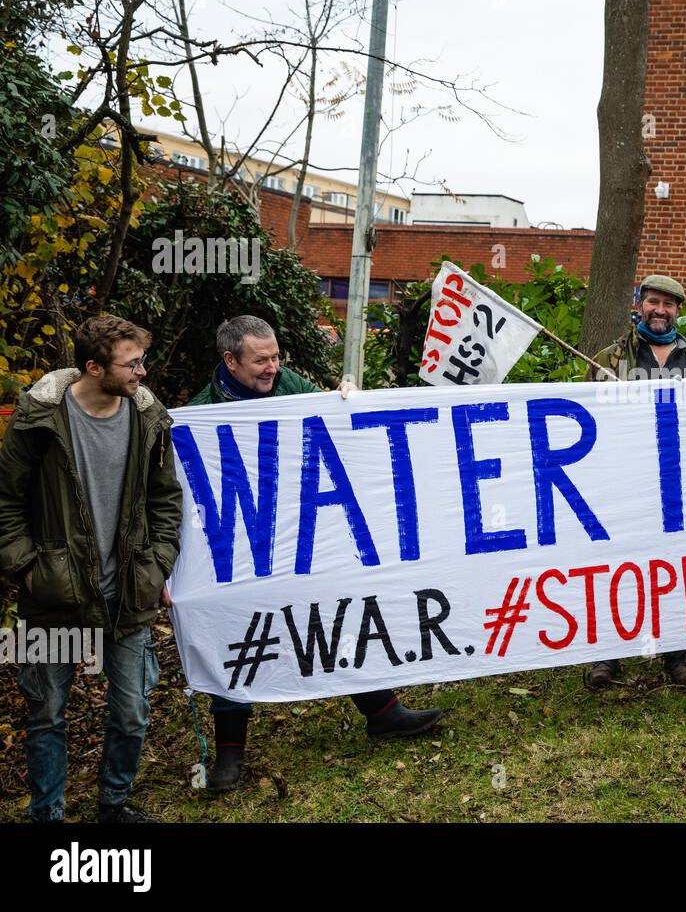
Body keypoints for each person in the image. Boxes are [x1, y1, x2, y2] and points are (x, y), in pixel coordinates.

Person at [189, 315, 444, 792]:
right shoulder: (199, 414)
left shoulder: (286, 382)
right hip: (241, 546)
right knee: (235, 633)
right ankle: (229, 755)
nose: (272, 367)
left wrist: (344, 394)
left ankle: (382, 711)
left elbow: (331, 414)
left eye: (276, 356)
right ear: (230, 361)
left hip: (300, 532)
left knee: (332, 617)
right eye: (261, 360)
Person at [0, 315, 183, 822]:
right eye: (132, 364)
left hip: (126, 592)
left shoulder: (148, 418)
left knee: (130, 712)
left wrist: (159, 565)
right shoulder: (39, 418)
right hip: (53, 596)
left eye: (142, 361)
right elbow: (6, 501)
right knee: (45, 715)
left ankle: (114, 803)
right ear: (93, 367)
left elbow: (166, 501)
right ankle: (48, 815)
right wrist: (28, 569)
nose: (142, 373)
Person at [584, 274, 686, 689]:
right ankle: (608, 655)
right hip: (624, 481)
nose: (660, 311)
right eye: (653, 302)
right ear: (639, 305)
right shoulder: (612, 358)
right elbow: (591, 416)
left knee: (675, 566)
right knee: (619, 565)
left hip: (678, 482)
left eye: (669, 304)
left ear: (679, 311)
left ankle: (677, 655)